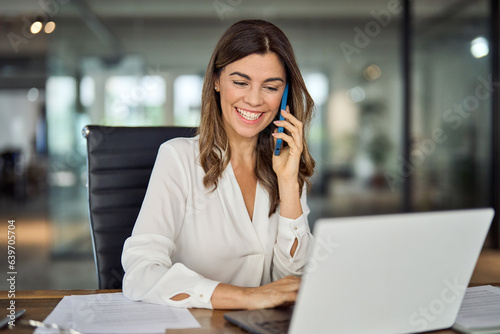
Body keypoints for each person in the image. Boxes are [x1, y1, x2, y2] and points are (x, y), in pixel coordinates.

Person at [121, 19, 315, 310]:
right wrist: (247, 297)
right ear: (216, 80)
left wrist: (288, 182)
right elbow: (141, 273)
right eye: (240, 82)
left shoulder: (285, 165)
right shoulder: (178, 158)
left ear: (285, 95)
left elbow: (290, 283)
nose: (254, 99)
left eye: (271, 87)